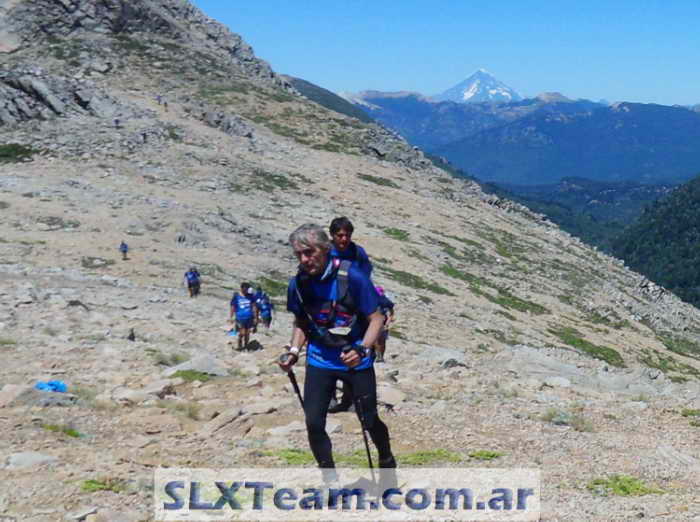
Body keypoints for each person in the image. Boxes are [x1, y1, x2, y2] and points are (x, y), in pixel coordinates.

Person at [279, 224, 396, 484]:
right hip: (320, 359)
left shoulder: (352, 276)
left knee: (369, 420)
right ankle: (330, 481)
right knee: (313, 422)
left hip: (356, 360)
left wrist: (363, 348)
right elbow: (301, 322)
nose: (304, 259)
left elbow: (376, 319)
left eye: (309, 252)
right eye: (298, 254)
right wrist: (294, 351)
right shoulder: (298, 284)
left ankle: (387, 466)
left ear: (325, 249)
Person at [328, 216, 373, 412]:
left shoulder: (357, 252)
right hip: (329, 309)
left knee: (352, 350)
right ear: (332, 235)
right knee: (329, 350)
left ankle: (350, 397)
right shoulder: (325, 252)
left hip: (353, 309)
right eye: (340, 235)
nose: (344, 239)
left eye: (347, 235)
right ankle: (328, 396)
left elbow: (366, 276)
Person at [229, 282, 257, 351]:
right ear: (241, 288)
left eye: (247, 289)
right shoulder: (236, 296)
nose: (246, 290)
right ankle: (240, 344)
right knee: (242, 333)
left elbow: (254, 306)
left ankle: (246, 346)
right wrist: (231, 317)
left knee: (247, 333)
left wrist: (255, 317)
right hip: (240, 318)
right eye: (245, 289)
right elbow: (232, 307)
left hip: (249, 317)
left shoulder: (251, 296)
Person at [374, 286, 395, 363]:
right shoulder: (386, 301)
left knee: (378, 340)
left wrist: (387, 323)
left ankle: (379, 357)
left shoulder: (382, 301)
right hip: (380, 323)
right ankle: (379, 356)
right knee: (380, 341)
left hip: (379, 322)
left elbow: (391, 314)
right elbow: (391, 314)